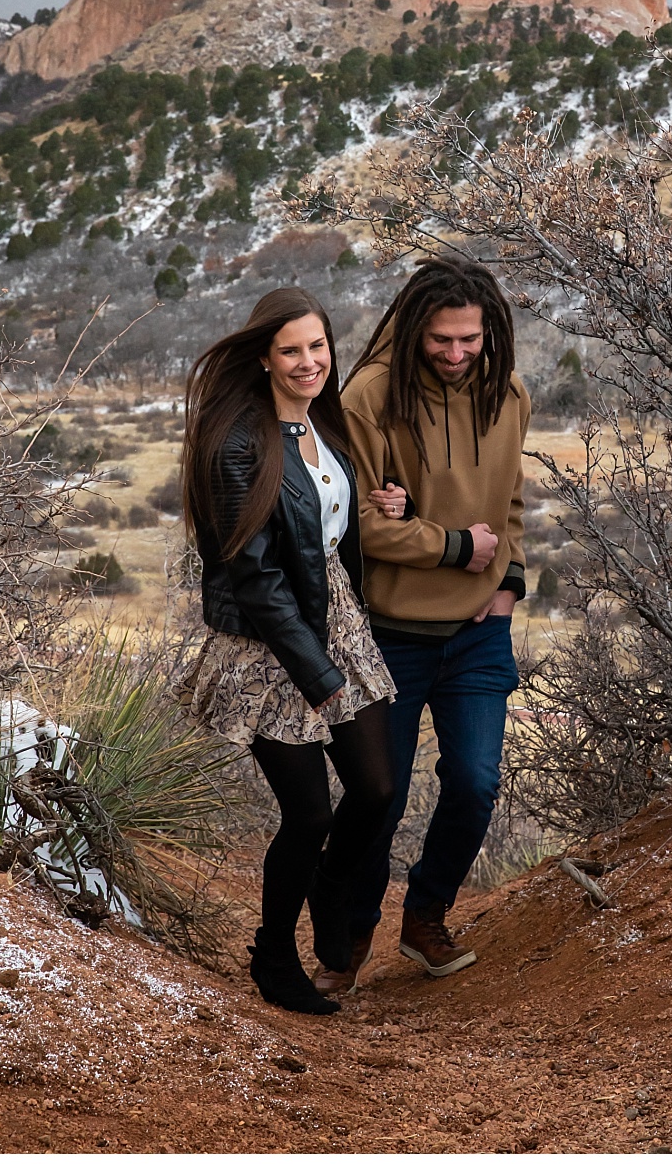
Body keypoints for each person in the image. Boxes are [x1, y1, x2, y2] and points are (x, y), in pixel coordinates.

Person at [177, 287, 404, 1016]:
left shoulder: (321, 423)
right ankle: (274, 954)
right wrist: (315, 672)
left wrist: (384, 507)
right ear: (265, 357)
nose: (309, 362)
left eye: (318, 346)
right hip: (268, 647)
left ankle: (329, 890)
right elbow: (258, 574)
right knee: (309, 815)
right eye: (291, 350)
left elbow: (322, 527)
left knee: (374, 790)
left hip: (336, 621)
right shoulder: (238, 442)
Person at [326, 256, 529, 995]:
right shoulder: (370, 399)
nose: (454, 354)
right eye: (440, 340)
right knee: (378, 797)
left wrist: (504, 588)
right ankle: (345, 941)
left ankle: (426, 915)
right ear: (415, 330)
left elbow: (508, 511)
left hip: (478, 632)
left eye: (469, 340)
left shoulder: (510, 396)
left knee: (475, 783)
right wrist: (455, 547)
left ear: (490, 332)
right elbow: (355, 532)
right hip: (390, 635)